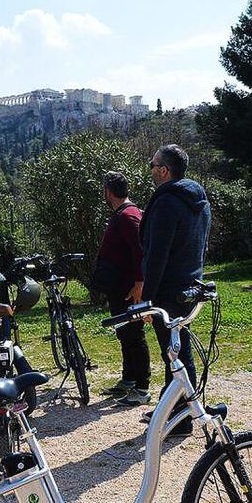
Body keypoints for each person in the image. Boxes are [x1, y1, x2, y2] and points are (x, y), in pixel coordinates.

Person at [140, 144, 211, 436]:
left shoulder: (167, 203)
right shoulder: (199, 201)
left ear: (164, 170)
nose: (151, 169)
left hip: (168, 292)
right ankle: (172, 412)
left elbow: (157, 254)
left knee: (176, 356)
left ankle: (181, 420)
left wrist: (146, 300)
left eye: (153, 165)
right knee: (179, 353)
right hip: (190, 285)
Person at [96, 170, 151, 405]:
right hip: (119, 287)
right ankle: (129, 378)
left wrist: (140, 284)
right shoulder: (122, 213)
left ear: (108, 192)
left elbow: (141, 251)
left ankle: (142, 387)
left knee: (134, 334)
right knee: (124, 333)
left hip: (129, 289)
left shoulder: (128, 216)